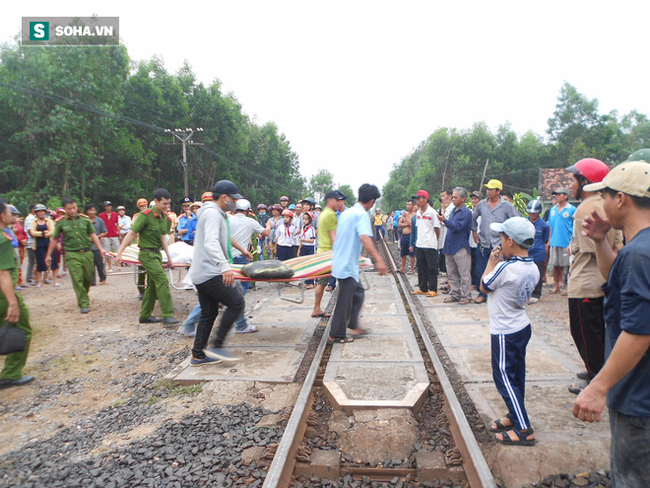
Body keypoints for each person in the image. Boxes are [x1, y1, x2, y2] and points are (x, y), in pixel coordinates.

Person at [573, 160, 650, 486]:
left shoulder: (638, 255)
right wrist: (603, 241)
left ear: (621, 200)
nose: (600, 203)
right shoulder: (637, 249)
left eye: (604, 195)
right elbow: (615, 280)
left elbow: (639, 331)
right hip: (637, 392)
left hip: (639, 400)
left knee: (633, 479)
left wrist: (598, 386)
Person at [565, 159, 623, 394]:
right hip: (602, 282)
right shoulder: (607, 205)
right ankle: (595, 370)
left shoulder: (586, 209)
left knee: (586, 334)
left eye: (573, 180)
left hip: (586, 283)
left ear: (585, 181)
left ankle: (597, 379)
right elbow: (617, 246)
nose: (570, 185)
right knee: (600, 332)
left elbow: (592, 248)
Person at [481, 217, 539, 446]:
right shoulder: (532, 267)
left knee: (504, 378)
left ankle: (524, 429)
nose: (500, 242)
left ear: (511, 241)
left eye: (502, 238)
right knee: (516, 376)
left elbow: (484, 285)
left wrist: (491, 261)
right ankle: (514, 416)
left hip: (504, 331)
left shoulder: (505, 268)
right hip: (521, 326)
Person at [189, 180, 246, 365]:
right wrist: (224, 266)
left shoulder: (211, 212)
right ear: (224, 197)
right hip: (209, 272)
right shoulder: (213, 214)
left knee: (209, 312)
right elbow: (211, 242)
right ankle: (217, 345)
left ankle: (198, 354)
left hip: (200, 272)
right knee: (236, 302)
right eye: (233, 199)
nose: (235, 203)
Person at [329, 184, 387, 343]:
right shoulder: (361, 214)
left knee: (358, 292)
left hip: (344, 261)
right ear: (372, 201)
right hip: (347, 264)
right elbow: (365, 238)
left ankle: (353, 325)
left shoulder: (348, 213)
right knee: (344, 301)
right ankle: (336, 334)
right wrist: (379, 260)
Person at [116, 189, 179, 326]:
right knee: (162, 280)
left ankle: (145, 315)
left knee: (152, 284)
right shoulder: (145, 216)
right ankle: (168, 315)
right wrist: (119, 252)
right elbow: (132, 234)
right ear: (155, 201)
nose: (167, 207)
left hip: (157, 254)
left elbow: (163, 237)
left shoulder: (164, 218)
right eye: (164, 204)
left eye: (168, 204)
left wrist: (168, 256)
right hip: (146, 254)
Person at [46, 198, 106, 314]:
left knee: (88, 277)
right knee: (77, 278)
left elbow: (93, 234)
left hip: (87, 252)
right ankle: (83, 303)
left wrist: (101, 249)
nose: (72, 210)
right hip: (72, 253)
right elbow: (54, 239)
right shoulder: (61, 222)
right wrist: (49, 255)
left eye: (74, 207)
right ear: (64, 209)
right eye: (69, 209)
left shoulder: (85, 220)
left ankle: (84, 295)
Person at [0, 199, 34, 390]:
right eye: (8, 212)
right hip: (3, 295)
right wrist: (12, 302)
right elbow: (3, 273)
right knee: (23, 330)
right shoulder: (2, 240)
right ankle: (11, 374)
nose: (12, 216)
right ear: (1, 216)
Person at [472, 179, 519, 304]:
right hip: (484, 243)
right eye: (487, 189)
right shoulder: (482, 204)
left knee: (499, 270)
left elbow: (516, 220)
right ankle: (483, 294)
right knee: (481, 270)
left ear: (498, 191)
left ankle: (498, 295)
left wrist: (508, 241)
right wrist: (474, 232)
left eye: (491, 189)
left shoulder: (507, 206)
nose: (488, 191)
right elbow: (473, 218)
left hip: (499, 244)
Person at [311, 190, 346, 318]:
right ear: (329, 200)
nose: (339, 203)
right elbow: (334, 238)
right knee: (345, 281)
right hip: (329, 255)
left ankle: (316, 308)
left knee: (322, 283)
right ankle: (342, 313)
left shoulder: (324, 214)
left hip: (322, 252)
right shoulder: (330, 215)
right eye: (337, 200)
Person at [439, 187, 473, 304]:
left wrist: (445, 221)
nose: (453, 199)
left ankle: (467, 295)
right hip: (450, 246)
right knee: (452, 273)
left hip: (460, 246)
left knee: (464, 273)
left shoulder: (466, 213)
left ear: (463, 198)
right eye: (452, 197)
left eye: (455, 197)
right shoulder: (453, 211)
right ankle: (455, 294)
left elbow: (458, 227)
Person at [410, 190, 441, 297]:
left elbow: (437, 229)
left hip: (430, 244)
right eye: (416, 199)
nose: (417, 201)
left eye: (419, 199)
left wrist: (434, 240)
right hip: (420, 244)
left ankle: (433, 289)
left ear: (425, 199)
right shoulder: (418, 213)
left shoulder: (432, 212)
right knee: (421, 266)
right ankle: (422, 287)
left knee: (432, 267)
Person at [547, 187, 576, 295]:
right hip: (555, 241)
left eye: (559, 194)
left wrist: (572, 242)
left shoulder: (572, 209)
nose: (557, 196)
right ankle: (556, 286)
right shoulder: (553, 210)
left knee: (568, 266)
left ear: (565, 196)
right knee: (555, 265)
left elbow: (575, 227)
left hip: (566, 242)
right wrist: (549, 241)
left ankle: (568, 287)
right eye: (556, 194)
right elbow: (550, 227)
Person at [525, 199, 550, 304]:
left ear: (539, 212)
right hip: (526, 251)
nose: (532, 214)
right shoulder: (524, 222)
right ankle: (526, 293)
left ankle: (536, 294)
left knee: (538, 274)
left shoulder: (544, 225)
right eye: (530, 212)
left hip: (538, 252)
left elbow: (545, 240)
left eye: (534, 213)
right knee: (525, 273)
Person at [31, 204, 59, 288]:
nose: (40, 213)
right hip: (39, 244)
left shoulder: (49, 221)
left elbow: (52, 232)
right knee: (40, 262)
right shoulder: (34, 222)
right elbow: (32, 232)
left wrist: (40, 234)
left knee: (54, 261)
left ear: (45, 212)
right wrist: (43, 233)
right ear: (36, 213)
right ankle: (39, 281)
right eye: (38, 212)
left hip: (49, 243)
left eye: (42, 211)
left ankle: (55, 280)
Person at [85, 203, 108, 286]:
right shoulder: (84, 220)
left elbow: (105, 232)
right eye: (90, 210)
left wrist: (96, 237)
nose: (92, 212)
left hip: (96, 246)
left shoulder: (99, 220)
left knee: (99, 263)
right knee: (89, 265)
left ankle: (102, 278)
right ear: (87, 211)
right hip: (86, 246)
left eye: (93, 210)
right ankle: (92, 281)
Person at [132, 198, 149, 300]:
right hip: (142, 245)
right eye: (141, 206)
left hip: (152, 246)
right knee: (141, 270)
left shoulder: (151, 215)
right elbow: (134, 230)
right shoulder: (137, 217)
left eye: (145, 206)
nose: (143, 208)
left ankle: (152, 291)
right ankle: (141, 290)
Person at [99, 201, 120, 273]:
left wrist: (119, 234)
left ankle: (117, 264)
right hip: (105, 235)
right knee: (107, 252)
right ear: (104, 207)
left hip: (114, 234)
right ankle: (110, 267)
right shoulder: (101, 215)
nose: (109, 207)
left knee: (117, 250)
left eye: (110, 206)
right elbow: (100, 226)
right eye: (107, 206)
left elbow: (117, 224)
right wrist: (101, 235)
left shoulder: (115, 214)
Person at [438, 189, 453, 278]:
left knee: (449, 261)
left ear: (449, 196)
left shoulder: (451, 208)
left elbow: (443, 221)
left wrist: (443, 209)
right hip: (444, 237)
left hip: (449, 236)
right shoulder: (447, 208)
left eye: (443, 196)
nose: (442, 198)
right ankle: (448, 280)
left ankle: (450, 281)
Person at [298, 211, 316, 289]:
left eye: (306, 219)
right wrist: (299, 249)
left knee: (311, 265)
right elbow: (301, 240)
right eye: (303, 219)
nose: (304, 221)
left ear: (310, 220)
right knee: (305, 265)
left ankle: (312, 282)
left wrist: (304, 240)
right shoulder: (303, 228)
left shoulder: (311, 229)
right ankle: (306, 281)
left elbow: (312, 240)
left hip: (310, 248)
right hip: (304, 247)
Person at [398, 200, 416, 274]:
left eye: (409, 204)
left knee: (411, 253)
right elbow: (399, 224)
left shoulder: (414, 215)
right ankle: (402, 268)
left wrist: (407, 219)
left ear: (413, 205)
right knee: (403, 252)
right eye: (407, 204)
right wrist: (406, 224)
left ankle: (411, 269)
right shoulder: (405, 214)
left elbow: (412, 225)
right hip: (404, 235)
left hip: (411, 235)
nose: (408, 206)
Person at [469, 191, 482, 288]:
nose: (474, 201)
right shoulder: (470, 212)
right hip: (470, 241)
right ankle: (473, 282)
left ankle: (478, 282)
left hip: (479, 241)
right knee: (471, 263)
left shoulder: (482, 213)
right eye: (473, 199)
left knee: (478, 263)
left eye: (476, 199)